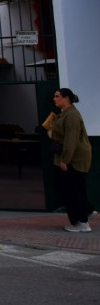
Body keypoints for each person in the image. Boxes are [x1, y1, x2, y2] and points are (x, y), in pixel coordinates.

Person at [50, 88, 97, 232]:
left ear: (67, 98)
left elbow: (71, 139)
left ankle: (82, 221)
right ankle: (87, 212)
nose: (55, 99)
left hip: (74, 159)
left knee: (73, 190)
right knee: (72, 188)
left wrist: (65, 160)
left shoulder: (72, 116)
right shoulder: (66, 114)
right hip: (72, 157)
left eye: (57, 96)